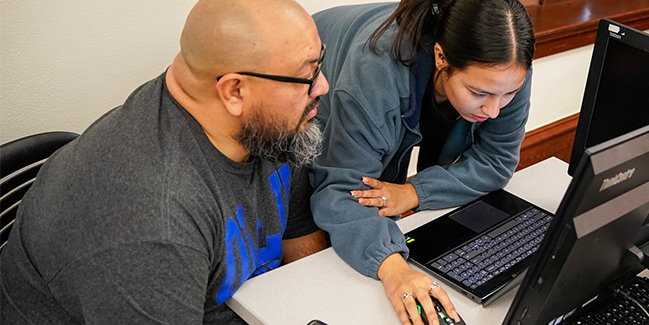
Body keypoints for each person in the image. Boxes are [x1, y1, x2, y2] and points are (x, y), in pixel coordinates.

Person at [0, 0, 329, 323]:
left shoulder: (266, 126)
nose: (323, 86)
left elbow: (299, 233)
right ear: (234, 91)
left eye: (320, 64)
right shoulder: (150, 225)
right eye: (307, 76)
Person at [309, 0, 535, 324]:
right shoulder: (376, 70)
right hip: (312, 90)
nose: (495, 110)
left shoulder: (505, 70)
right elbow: (343, 189)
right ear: (441, 57)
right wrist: (394, 269)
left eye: (508, 95)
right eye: (478, 93)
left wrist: (413, 192)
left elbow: (497, 159)